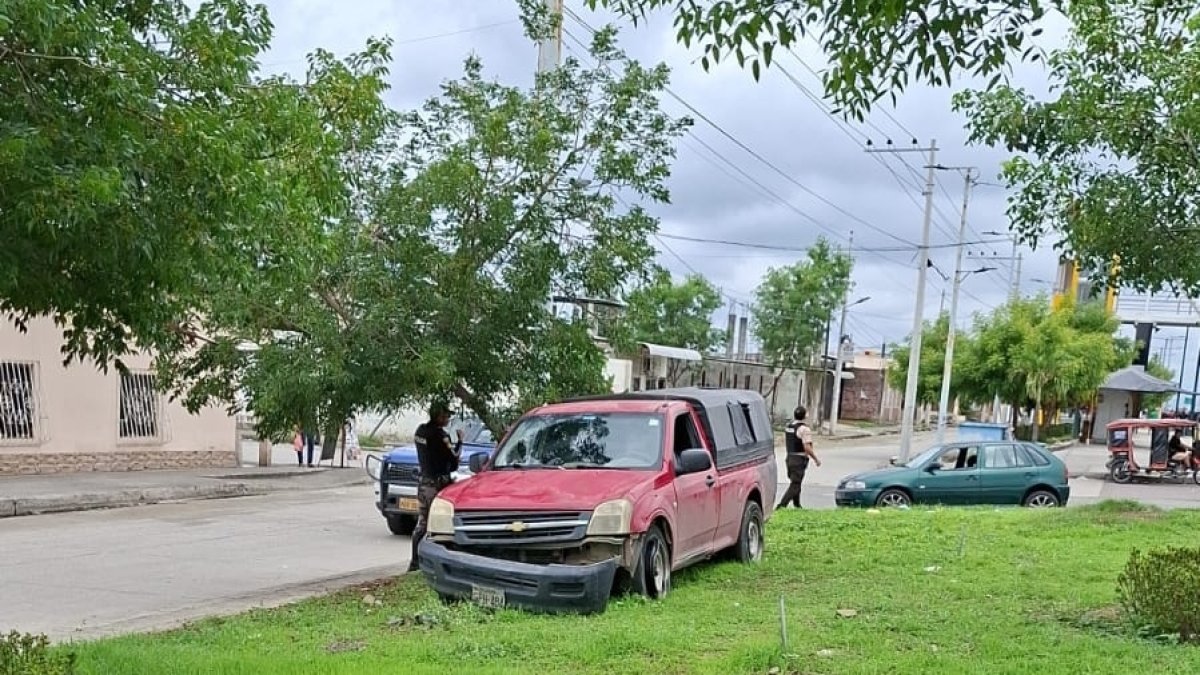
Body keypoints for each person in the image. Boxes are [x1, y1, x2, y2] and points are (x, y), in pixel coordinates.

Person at [408, 404, 465, 572]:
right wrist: (460, 441)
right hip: (438, 485)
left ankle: (414, 563)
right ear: (439, 416)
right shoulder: (441, 436)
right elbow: (454, 461)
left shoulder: (420, 431)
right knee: (441, 525)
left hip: (424, 483)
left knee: (422, 524)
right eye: (446, 416)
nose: (448, 419)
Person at [777, 406, 821, 509]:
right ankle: (781, 506)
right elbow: (807, 447)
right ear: (805, 415)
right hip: (799, 459)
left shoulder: (789, 426)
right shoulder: (804, 429)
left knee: (796, 482)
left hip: (789, 457)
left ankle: (797, 505)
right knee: (795, 484)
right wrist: (816, 459)